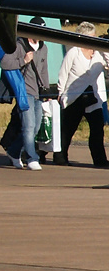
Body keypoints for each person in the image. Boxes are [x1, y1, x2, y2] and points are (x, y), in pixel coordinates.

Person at [56, 23, 108, 167]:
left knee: (97, 129)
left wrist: (105, 50)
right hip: (74, 96)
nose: (94, 39)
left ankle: (100, 160)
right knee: (68, 129)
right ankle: (60, 156)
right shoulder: (74, 52)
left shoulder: (99, 53)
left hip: (93, 98)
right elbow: (63, 73)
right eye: (91, 37)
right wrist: (61, 93)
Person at [0, 21, 50, 170]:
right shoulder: (19, 45)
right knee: (28, 127)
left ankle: (13, 152)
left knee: (34, 129)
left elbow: (43, 70)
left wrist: (47, 90)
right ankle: (32, 158)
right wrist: (24, 60)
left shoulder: (44, 48)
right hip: (24, 92)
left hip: (38, 93)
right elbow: (5, 63)